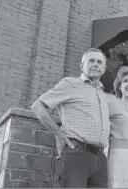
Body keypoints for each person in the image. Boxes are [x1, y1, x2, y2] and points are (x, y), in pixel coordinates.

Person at [31, 48, 110, 188]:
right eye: (91, 60)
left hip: (100, 159)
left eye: (99, 62)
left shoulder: (102, 93)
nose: (95, 64)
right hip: (77, 154)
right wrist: (59, 135)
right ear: (82, 66)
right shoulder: (70, 84)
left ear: (103, 68)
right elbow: (38, 106)